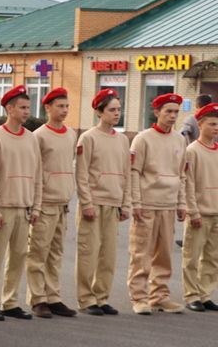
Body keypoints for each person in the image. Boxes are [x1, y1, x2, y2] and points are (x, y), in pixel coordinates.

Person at [0, 85, 41, 321]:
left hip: (24, 207)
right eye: (22, 107)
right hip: (3, 208)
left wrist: (36, 206)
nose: (27, 111)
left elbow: (38, 175)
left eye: (28, 107)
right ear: (9, 108)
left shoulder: (31, 139)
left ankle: (10, 301)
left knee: (18, 256)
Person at [128, 93, 187, 315]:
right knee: (141, 253)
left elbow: (182, 174)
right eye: (168, 111)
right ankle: (139, 297)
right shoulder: (143, 138)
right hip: (147, 204)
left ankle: (160, 296)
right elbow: (135, 172)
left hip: (169, 204)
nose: (172, 116)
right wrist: (136, 201)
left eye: (176, 112)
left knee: (164, 254)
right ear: (157, 112)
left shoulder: (180, 139)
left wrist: (181, 202)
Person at [74, 89, 131, 316]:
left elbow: (126, 173)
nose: (117, 113)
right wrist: (86, 202)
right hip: (94, 204)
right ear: (99, 112)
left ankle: (102, 296)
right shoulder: (88, 138)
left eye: (119, 109)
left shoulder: (123, 140)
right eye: (112, 110)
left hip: (113, 203)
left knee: (108, 255)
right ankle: (86, 299)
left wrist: (125, 204)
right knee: (88, 253)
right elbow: (82, 173)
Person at [26, 88, 78, 318]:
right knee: (38, 253)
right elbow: (34, 172)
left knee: (56, 254)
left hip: (62, 203)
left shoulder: (71, 134)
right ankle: (37, 298)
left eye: (66, 106)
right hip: (44, 202)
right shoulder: (39, 136)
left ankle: (53, 296)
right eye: (60, 106)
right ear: (47, 108)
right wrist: (35, 203)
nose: (64, 110)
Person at [182, 102, 218, 312]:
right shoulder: (192, 151)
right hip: (199, 213)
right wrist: (192, 210)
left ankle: (205, 294)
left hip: (216, 211)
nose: (216, 128)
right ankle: (191, 295)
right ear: (201, 124)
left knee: (212, 257)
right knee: (192, 256)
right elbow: (188, 183)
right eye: (212, 124)